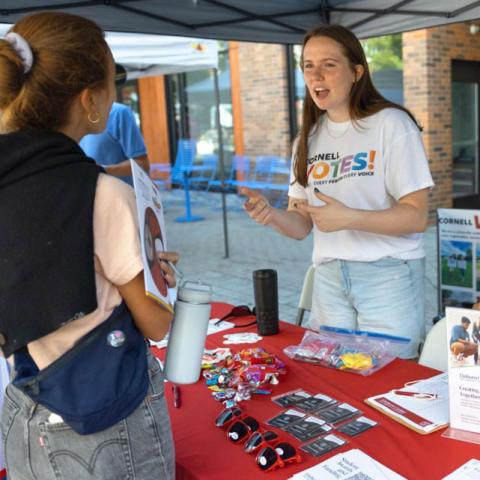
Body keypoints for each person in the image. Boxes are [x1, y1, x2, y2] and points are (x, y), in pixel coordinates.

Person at [0, 12, 177, 479]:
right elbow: (156, 322)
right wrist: (159, 273)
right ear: (89, 101)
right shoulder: (104, 195)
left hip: (23, 407)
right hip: (104, 420)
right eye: (112, 78)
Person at [242, 24, 434, 359]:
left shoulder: (392, 124)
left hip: (387, 275)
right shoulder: (309, 138)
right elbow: (302, 223)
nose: (316, 74)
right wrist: (271, 215)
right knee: (334, 382)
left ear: (357, 72)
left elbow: (417, 216)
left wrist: (350, 218)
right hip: (328, 278)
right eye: (308, 65)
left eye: (329, 64)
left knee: (387, 381)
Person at [80, 63, 149, 185]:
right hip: (88, 198)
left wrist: (103, 170)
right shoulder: (74, 117)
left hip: (119, 199)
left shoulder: (119, 113)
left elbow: (142, 164)